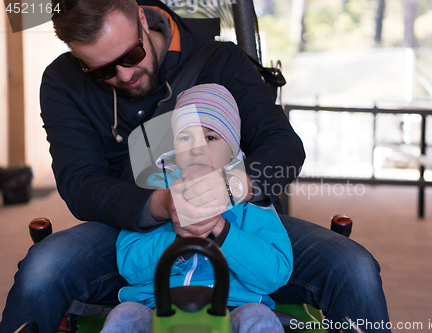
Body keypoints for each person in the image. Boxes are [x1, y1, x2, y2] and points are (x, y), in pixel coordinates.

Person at [0, 0, 391, 332]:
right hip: (131, 226)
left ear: (140, 17)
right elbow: (78, 182)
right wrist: (161, 205)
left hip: (239, 215)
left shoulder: (221, 62)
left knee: (353, 268)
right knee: (42, 269)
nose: (124, 75)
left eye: (131, 56)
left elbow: (285, 148)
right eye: (102, 70)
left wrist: (229, 189)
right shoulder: (63, 82)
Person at [100, 83, 292, 333]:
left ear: (233, 147)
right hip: (157, 305)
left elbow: (275, 273)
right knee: (124, 315)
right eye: (185, 137)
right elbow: (130, 266)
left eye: (211, 137)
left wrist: (223, 232)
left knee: (259, 318)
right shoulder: (155, 193)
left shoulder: (251, 203)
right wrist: (180, 240)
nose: (197, 148)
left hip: (234, 305)